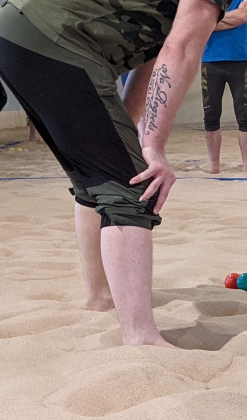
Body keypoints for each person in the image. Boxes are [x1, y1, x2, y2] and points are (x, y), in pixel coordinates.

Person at [0, 0, 231, 348]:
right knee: (133, 185)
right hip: (56, 36)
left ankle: (101, 297)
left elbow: (153, 52)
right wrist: (152, 145)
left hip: (17, 28)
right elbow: (180, 47)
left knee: (97, 176)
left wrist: (124, 129)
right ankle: (141, 337)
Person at [201, 0, 247, 174]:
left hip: (240, 61)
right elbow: (201, 23)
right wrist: (233, 18)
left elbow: (245, 16)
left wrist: (214, 21)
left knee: (244, 116)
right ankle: (214, 165)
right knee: (210, 116)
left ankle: (246, 167)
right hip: (210, 62)